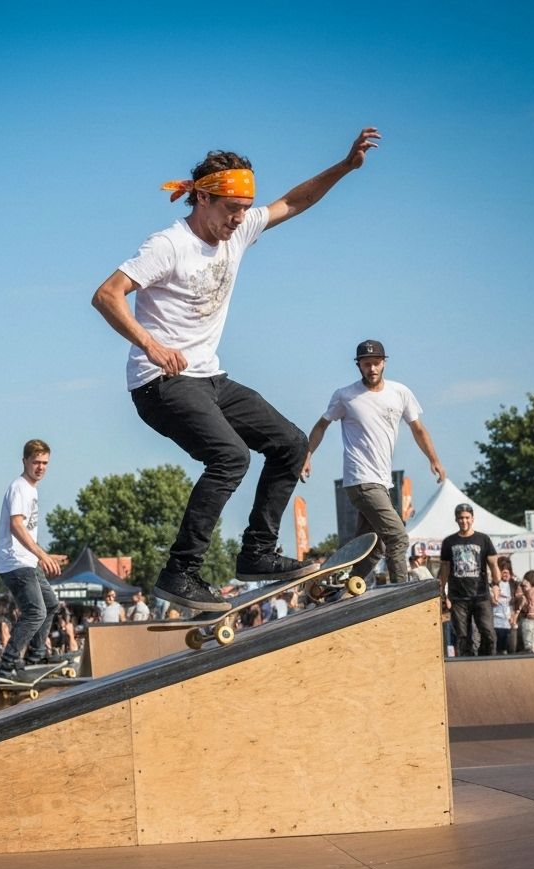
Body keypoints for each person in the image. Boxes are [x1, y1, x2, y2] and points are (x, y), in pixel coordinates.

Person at [92, 128, 381, 611]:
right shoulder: (168, 245)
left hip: (210, 379)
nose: (240, 219)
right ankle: (180, 573)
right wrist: (152, 344)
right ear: (202, 197)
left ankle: (257, 552)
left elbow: (293, 202)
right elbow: (106, 295)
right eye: (231, 209)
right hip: (159, 384)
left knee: (289, 443)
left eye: (245, 209)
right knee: (231, 458)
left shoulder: (241, 228)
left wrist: (344, 167)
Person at [304, 340, 445, 585]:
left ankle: (342, 586)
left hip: (381, 483)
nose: (372, 369)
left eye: (376, 364)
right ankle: (400, 594)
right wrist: (307, 455)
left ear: (384, 363)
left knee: (374, 546)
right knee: (398, 537)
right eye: (367, 364)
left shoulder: (400, 393)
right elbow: (321, 425)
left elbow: (419, 429)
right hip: (360, 480)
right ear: (358, 366)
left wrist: (434, 460)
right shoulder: (345, 396)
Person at [0, 439, 62, 677]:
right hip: (14, 562)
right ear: (25, 462)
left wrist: (44, 554)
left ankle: (35, 654)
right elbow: (16, 525)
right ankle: (7, 663)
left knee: (51, 605)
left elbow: (27, 532)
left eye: (45, 463)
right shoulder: (20, 487)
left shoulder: (32, 489)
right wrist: (41, 554)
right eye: (36, 462)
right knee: (35, 612)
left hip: (26, 560)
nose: (40, 467)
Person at [438, 503, 500, 656]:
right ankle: (468, 665)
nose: (464, 521)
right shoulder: (449, 542)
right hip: (458, 597)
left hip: (481, 595)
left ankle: (488, 662)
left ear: (472, 519)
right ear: (456, 520)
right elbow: (445, 568)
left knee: (488, 633)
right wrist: (441, 592)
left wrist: (496, 585)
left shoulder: (483, 539)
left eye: (467, 518)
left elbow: (493, 564)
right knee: (463, 637)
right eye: (460, 518)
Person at [513, 570, 534, 653]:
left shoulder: (527, 593)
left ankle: (531, 654)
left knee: (529, 644)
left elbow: (521, 604)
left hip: (530, 619)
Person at [491, 559, 516, 655]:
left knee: (510, 651)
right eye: (503, 569)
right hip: (495, 624)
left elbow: (515, 602)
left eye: (508, 570)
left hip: (508, 624)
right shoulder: (493, 584)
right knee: (496, 652)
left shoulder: (513, 584)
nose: (506, 573)